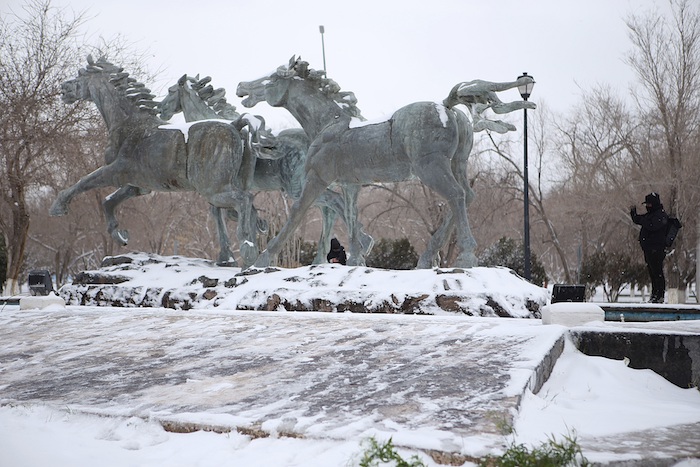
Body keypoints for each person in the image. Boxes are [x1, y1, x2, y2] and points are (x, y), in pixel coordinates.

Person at [630, 192, 669, 303]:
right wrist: (634, 214)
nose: (647, 207)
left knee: (657, 272)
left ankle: (659, 294)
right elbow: (640, 220)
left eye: (649, 205)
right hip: (648, 249)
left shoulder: (660, 215)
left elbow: (652, 226)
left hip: (656, 249)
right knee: (652, 272)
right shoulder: (651, 215)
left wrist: (642, 220)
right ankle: (655, 294)